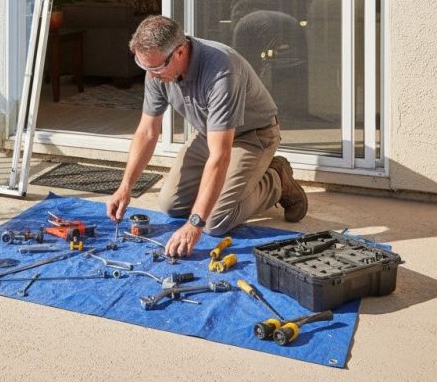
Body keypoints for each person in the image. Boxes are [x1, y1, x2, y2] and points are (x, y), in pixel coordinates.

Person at [106, 15, 308, 258]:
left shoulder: (222, 70)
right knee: (171, 205)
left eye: (156, 68)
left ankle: (276, 179)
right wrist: (125, 187)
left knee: (214, 221)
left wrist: (194, 224)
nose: (151, 76)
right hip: (209, 133)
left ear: (180, 52)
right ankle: (236, 184)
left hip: (252, 136)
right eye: (143, 66)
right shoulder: (156, 69)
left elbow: (220, 156)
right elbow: (147, 131)